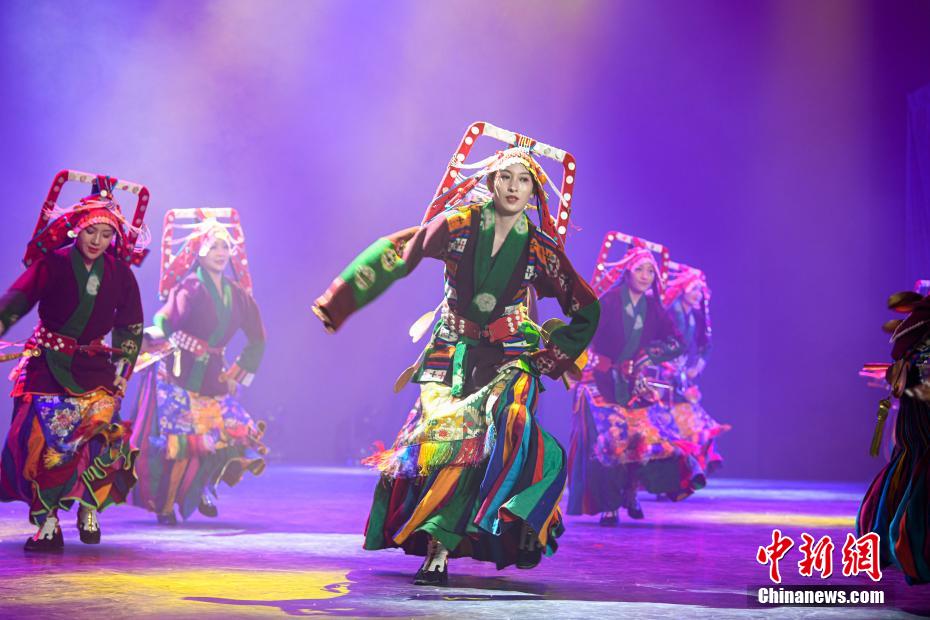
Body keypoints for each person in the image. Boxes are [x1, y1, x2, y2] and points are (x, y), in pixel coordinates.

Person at [313, 145, 599, 585]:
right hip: (452, 350)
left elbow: (586, 308)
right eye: (506, 177)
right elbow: (399, 252)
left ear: (533, 193)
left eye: (524, 180)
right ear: (491, 182)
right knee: (451, 441)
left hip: (512, 354)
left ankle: (511, 516)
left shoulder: (540, 249)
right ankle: (438, 543)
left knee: (509, 422)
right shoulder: (458, 225)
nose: (514, 187)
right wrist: (340, 301)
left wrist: (551, 357)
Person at [0, 177, 146, 550]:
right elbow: (17, 300)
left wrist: (123, 372)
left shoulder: (120, 273)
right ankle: (47, 521)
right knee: (42, 442)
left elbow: (130, 326)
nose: (97, 241)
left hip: (94, 368)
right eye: (90, 231)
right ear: (76, 229)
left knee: (100, 438)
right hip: (47, 364)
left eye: (106, 234)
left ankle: (88, 507)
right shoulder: (53, 263)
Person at [131, 212, 267, 524]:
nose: (220, 252)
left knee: (233, 434)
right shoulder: (190, 287)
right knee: (182, 446)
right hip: (180, 374)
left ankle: (202, 486)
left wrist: (235, 374)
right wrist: (152, 338)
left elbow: (258, 338)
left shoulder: (237, 295)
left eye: (225, 246)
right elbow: (166, 320)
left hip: (215, 375)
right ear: (200, 251)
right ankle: (166, 506)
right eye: (213, 246)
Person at [568, 245, 705, 525]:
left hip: (634, 383)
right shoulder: (608, 302)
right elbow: (583, 332)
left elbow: (677, 341)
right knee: (608, 442)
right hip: (600, 382)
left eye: (650, 271)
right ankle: (609, 505)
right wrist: (577, 365)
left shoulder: (653, 307)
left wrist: (649, 355)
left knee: (641, 439)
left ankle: (630, 493)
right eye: (639, 269)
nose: (645, 276)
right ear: (627, 272)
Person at [857, 290, 930, 584]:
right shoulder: (919, 330)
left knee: (912, 460)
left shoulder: (915, 329)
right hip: (919, 412)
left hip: (915, 413)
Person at [662, 267, 729, 473]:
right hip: (663, 375)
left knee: (689, 421)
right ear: (683, 289)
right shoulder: (671, 312)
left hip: (681, 376)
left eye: (700, 291)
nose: (697, 294)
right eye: (693, 290)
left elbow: (705, 345)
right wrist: (666, 362)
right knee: (667, 423)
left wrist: (697, 366)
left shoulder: (696, 317)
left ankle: (691, 466)